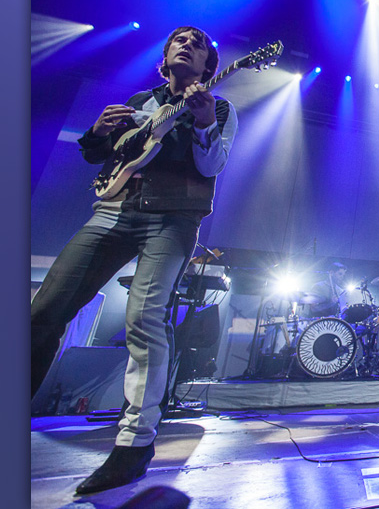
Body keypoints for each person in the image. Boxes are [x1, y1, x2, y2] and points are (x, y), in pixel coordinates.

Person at [30, 26, 237, 495]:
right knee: (45, 311)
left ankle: (134, 445)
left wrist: (203, 125)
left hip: (173, 218)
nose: (187, 45)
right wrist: (98, 133)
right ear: (164, 56)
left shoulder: (220, 107)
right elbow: (112, 158)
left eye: (199, 44)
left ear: (209, 65)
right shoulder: (141, 100)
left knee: (144, 317)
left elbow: (211, 168)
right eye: (179, 40)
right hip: (114, 211)